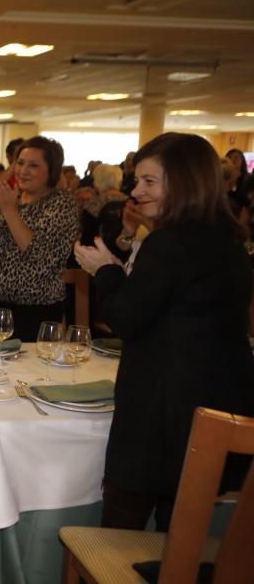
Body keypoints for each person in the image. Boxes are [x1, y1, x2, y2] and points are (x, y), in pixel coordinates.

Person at [74, 133, 254, 530]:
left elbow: (127, 317)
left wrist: (104, 270)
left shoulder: (168, 244)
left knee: (121, 527)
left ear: (184, 182)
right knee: (183, 530)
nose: (136, 191)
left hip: (161, 412)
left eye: (148, 181)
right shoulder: (230, 242)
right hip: (217, 408)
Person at [0, 136, 79, 342]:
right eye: (20, 163)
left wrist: (9, 210)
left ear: (51, 170)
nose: (23, 171)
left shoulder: (61, 203)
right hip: (0, 302)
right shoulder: (13, 198)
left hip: (39, 307)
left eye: (33, 165)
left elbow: (36, 252)